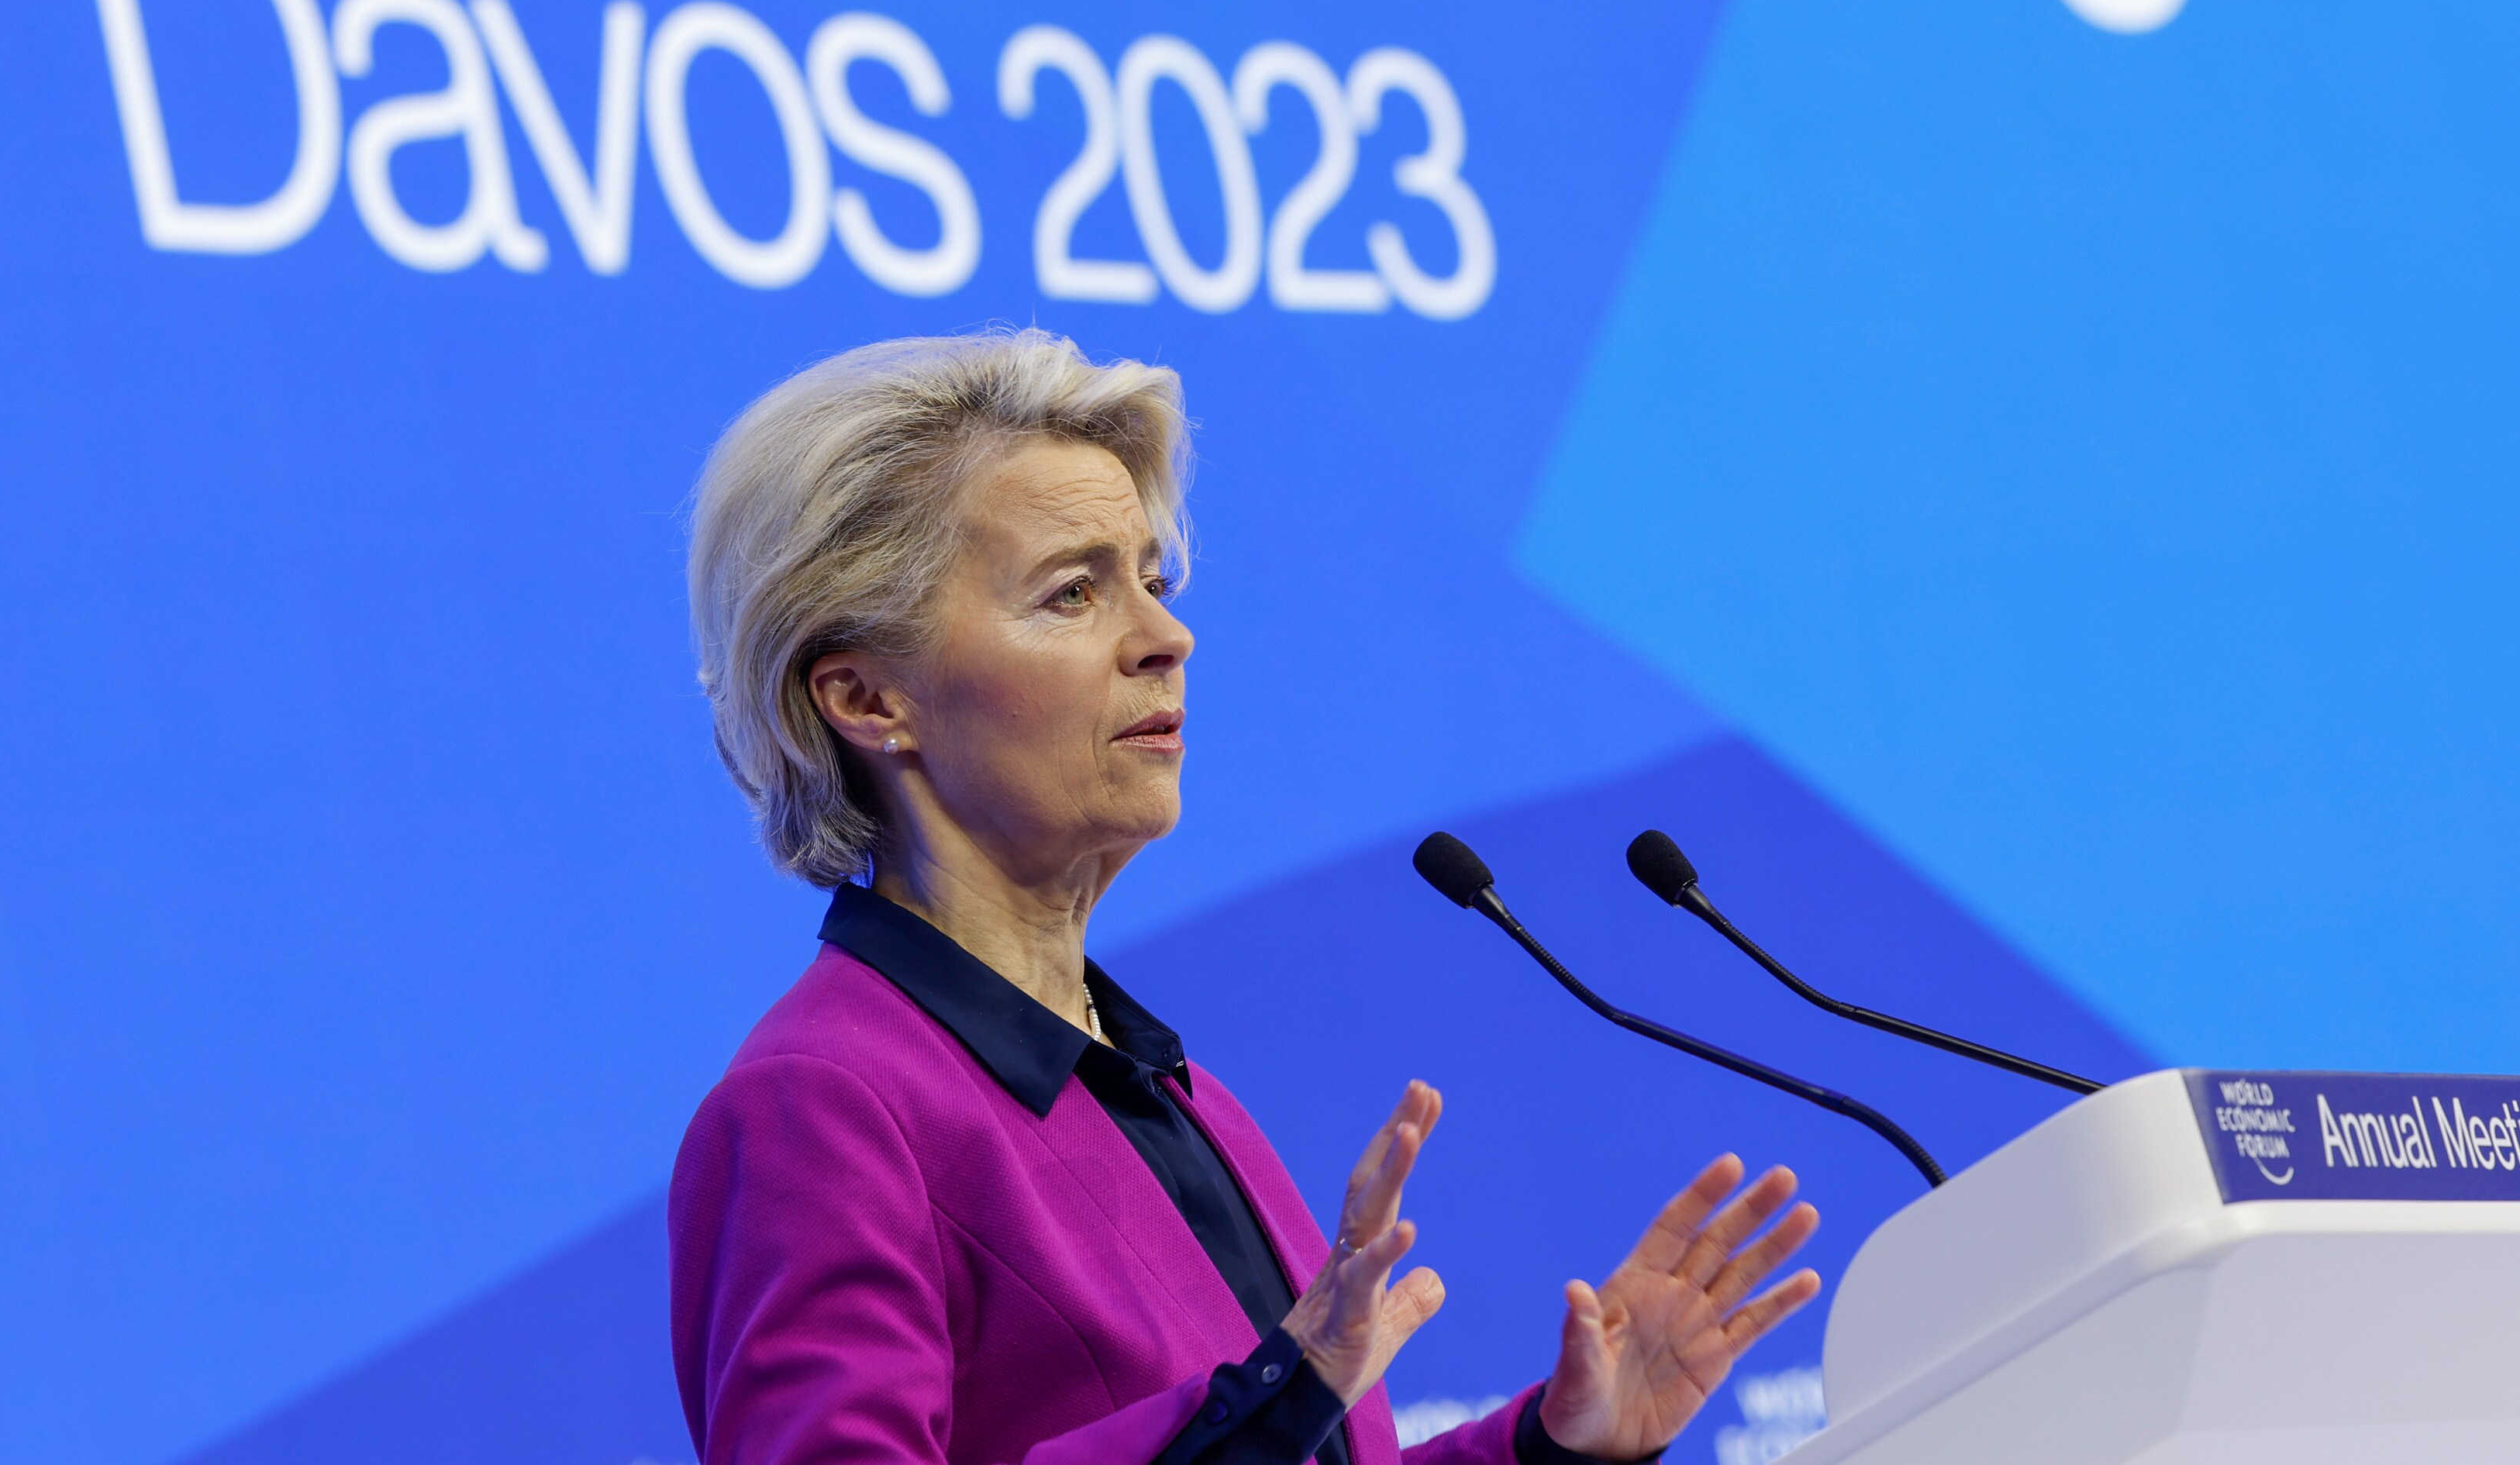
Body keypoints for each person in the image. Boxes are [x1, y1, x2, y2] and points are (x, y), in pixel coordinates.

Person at [670, 332, 1822, 1465]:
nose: (1166, 637)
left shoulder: (1172, 1090)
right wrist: (1275, 1397)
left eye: (1153, 581)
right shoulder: (822, 1110)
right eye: (1072, 593)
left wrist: (1551, 1445)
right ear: (868, 698)